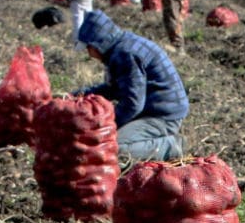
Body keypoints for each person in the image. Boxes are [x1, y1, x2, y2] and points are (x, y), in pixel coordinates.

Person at [76, 10, 188, 162]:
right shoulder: (122, 45)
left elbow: (133, 104)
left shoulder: (125, 54)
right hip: (153, 107)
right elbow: (116, 88)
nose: (89, 54)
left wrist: (106, 126)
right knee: (109, 141)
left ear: (98, 44)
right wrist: (81, 95)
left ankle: (172, 146)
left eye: (89, 48)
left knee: (114, 148)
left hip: (163, 114)